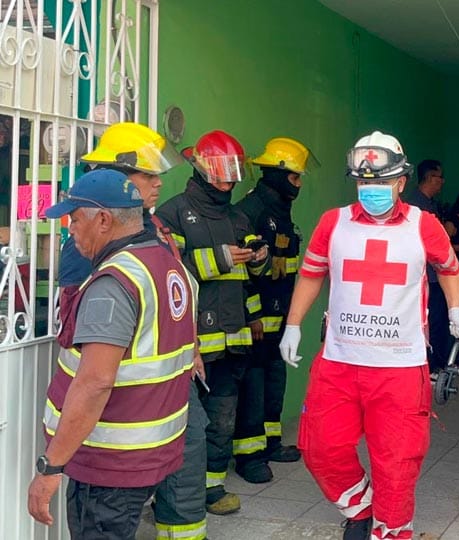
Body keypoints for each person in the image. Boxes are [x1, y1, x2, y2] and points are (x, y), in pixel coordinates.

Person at [278, 131, 459, 540]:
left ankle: (391, 531)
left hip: (400, 366)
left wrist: (456, 308)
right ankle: (361, 506)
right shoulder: (334, 222)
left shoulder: (424, 225)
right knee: (320, 448)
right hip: (339, 361)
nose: (372, 189)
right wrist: (293, 324)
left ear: (401, 181)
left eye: (381, 181)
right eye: (364, 182)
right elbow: (312, 273)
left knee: (398, 463)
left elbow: (449, 267)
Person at [58, 122, 210, 538]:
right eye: (147, 175)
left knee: (188, 454)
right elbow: (86, 331)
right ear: (118, 177)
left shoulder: (152, 228)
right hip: (127, 397)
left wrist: (192, 347)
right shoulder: (86, 242)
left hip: (166, 385)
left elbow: (173, 296)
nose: (158, 183)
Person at [27, 170, 197, 538]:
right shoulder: (168, 264)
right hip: (148, 453)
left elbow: (95, 383)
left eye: (75, 219)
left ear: (103, 220)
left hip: (109, 463)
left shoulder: (114, 282)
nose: (70, 230)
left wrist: (50, 468)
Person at [156, 130, 268, 516]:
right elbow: (167, 274)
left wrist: (258, 259)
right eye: (221, 175)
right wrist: (221, 258)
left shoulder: (238, 217)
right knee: (186, 424)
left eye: (232, 175)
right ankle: (174, 494)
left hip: (232, 341)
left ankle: (212, 489)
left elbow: (247, 278)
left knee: (221, 421)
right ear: (202, 171)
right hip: (191, 343)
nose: (228, 183)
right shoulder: (171, 214)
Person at [232, 137, 317, 483]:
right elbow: (243, 273)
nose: (298, 185)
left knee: (274, 380)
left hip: (279, 315)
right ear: (279, 175)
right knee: (252, 386)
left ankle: (269, 443)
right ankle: (249, 456)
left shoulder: (279, 210)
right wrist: (252, 314)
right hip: (255, 320)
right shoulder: (250, 212)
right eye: (295, 178)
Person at [404, 158, 450, 378]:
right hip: (423, 275)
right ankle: (428, 367)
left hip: (435, 273)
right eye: (440, 177)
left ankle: (436, 365)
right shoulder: (415, 206)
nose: (442, 182)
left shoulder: (431, 203)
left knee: (438, 320)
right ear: (430, 177)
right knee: (429, 321)